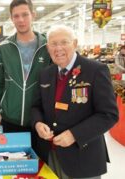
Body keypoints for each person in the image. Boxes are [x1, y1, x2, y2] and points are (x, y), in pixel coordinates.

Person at [31, 24, 118, 179]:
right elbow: (36, 106)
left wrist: (74, 135)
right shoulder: (45, 74)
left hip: (83, 157)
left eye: (64, 42)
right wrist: (38, 123)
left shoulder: (96, 70)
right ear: (47, 47)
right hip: (50, 154)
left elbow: (108, 114)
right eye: (53, 44)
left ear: (75, 43)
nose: (58, 48)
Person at [0, 0, 51, 154]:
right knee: (11, 167)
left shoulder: (47, 47)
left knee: (39, 169)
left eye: (25, 14)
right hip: (10, 119)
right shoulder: (4, 48)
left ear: (33, 15)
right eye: (16, 16)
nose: (21, 20)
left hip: (40, 121)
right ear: (11, 19)